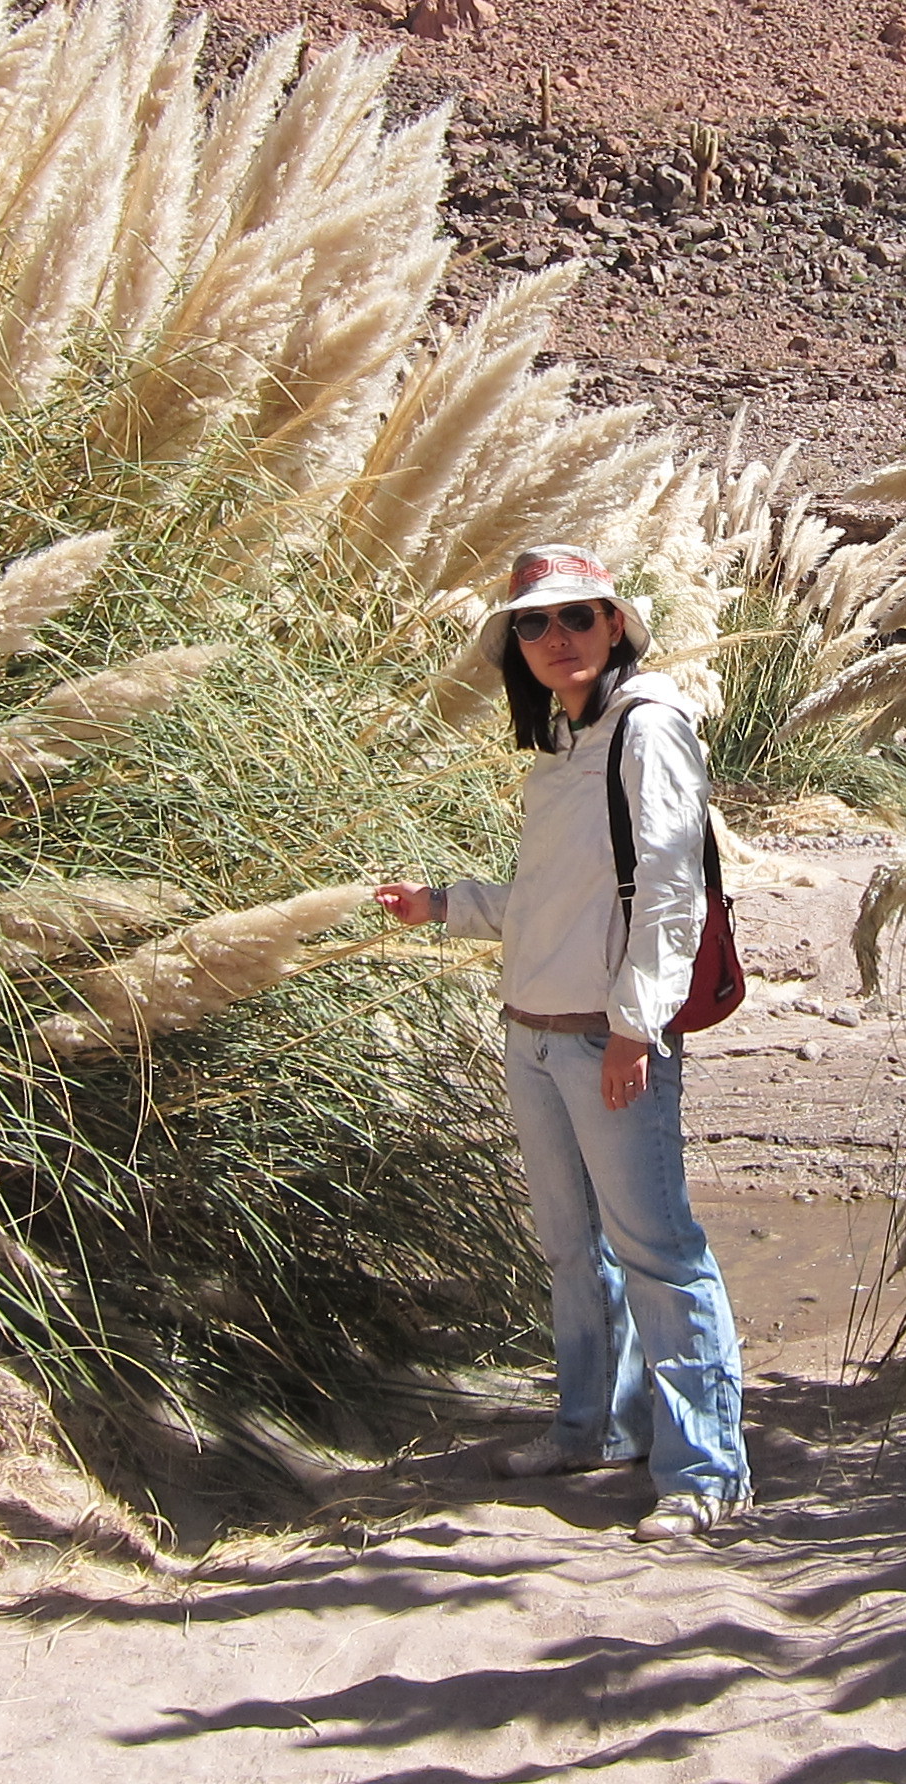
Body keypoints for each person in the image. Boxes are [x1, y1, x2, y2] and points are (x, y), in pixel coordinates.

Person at [375, 544, 752, 1544]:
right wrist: (444, 904)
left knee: (658, 1251)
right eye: (534, 624)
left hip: (605, 1038)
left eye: (578, 616)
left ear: (615, 624)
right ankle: (593, 1429)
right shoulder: (563, 746)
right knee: (571, 1250)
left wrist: (636, 1026)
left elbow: (671, 890)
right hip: (534, 1034)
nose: (557, 637)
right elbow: (551, 898)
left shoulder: (649, 727)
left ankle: (707, 1471)